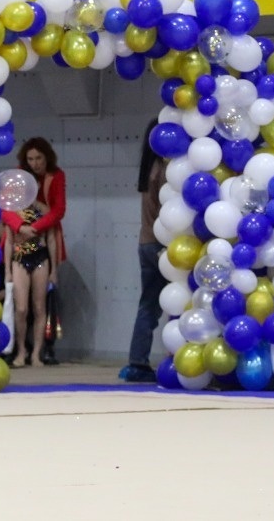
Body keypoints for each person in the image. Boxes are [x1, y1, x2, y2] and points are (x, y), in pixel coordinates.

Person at [1, 137, 67, 366]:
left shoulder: (55, 177)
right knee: (21, 308)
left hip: (41, 249)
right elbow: (6, 212)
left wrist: (35, 228)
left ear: (46, 157)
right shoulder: (18, 178)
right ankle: (20, 351)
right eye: (31, 159)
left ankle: (38, 352)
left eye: (39, 158)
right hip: (20, 252)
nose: (35, 163)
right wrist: (21, 227)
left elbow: (57, 212)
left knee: (40, 306)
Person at [120, 122, 164, 383]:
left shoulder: (148, 168)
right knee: (173, 302)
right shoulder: (166, 171)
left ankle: (138, 360)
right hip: (161, 245)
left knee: (148, 305)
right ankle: (175, 356)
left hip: (145, 243)